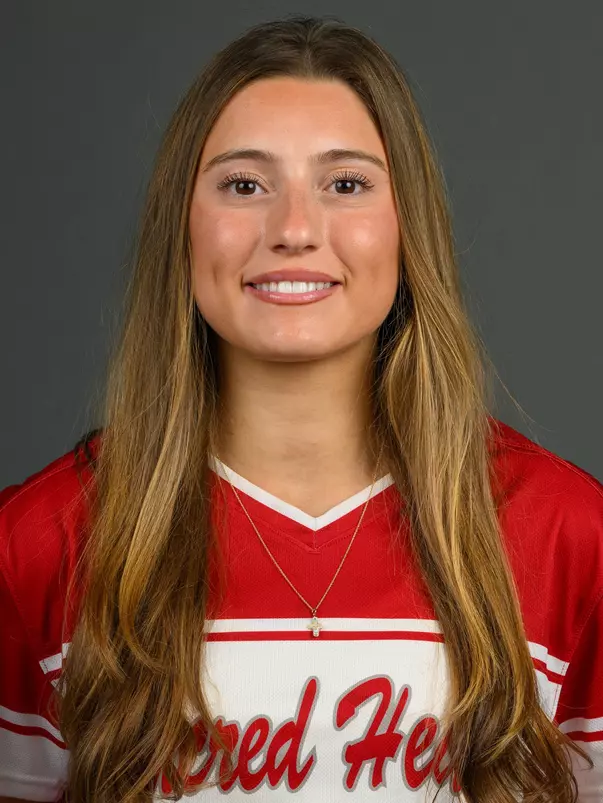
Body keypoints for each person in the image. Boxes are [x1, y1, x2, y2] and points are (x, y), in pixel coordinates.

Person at [0, 14, 601, 803]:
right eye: (243, 185)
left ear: (407, 225)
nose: (292, 229)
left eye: (345, 184)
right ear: (182, 224)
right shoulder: (39, 544)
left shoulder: (567, 535)